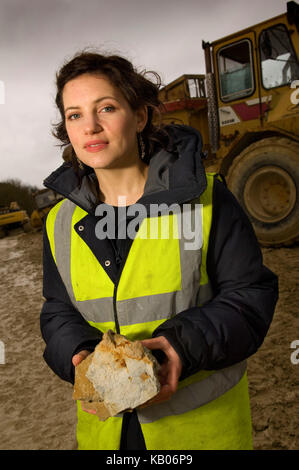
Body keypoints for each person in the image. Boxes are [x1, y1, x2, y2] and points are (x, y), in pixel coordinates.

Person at [40, 51, 278, 450]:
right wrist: (79, 355)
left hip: (198, 432)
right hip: (108, 436)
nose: (91, 127)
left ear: (140, 116)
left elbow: (250, 297)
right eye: (75, 115)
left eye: (107, 108)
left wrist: (181, 348)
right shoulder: (58, 222)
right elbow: (57, 310)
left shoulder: (206, 200)